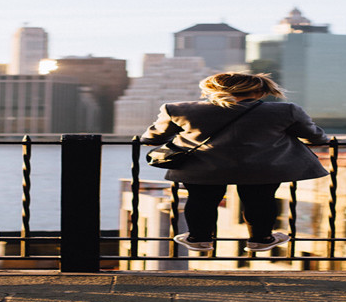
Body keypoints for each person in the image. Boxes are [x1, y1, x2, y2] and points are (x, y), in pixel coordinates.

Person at [140, 72, 329, 253]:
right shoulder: (287, 110)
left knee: (201, 200)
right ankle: (261, 240)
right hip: (262, 167)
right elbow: (316, 137)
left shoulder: (178, 109)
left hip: (203, 167)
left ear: (210, 90)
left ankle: (199, 240)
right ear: (258, 92)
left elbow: (152, 137)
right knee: (261, 200)